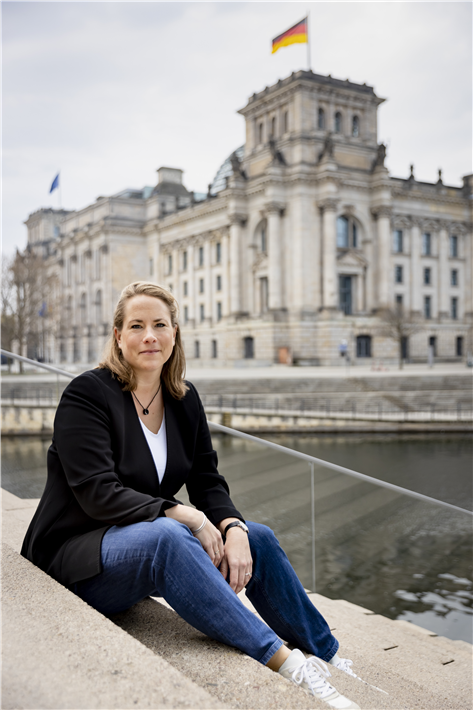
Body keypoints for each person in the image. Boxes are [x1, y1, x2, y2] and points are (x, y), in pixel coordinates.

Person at [22, 282, 362, 710]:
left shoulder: (184, 398)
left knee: (257, 536)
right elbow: (97, 493)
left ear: (175, 333)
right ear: (118, 336)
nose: (150, 335)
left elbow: (206, 478)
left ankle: (324, 652)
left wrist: (232, 525)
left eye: (160, 325)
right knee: (170, 535)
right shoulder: (87, 395)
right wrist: (189, 516)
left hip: (137, 543)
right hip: (75, 556)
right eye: (137, 326)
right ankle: (287, 664)